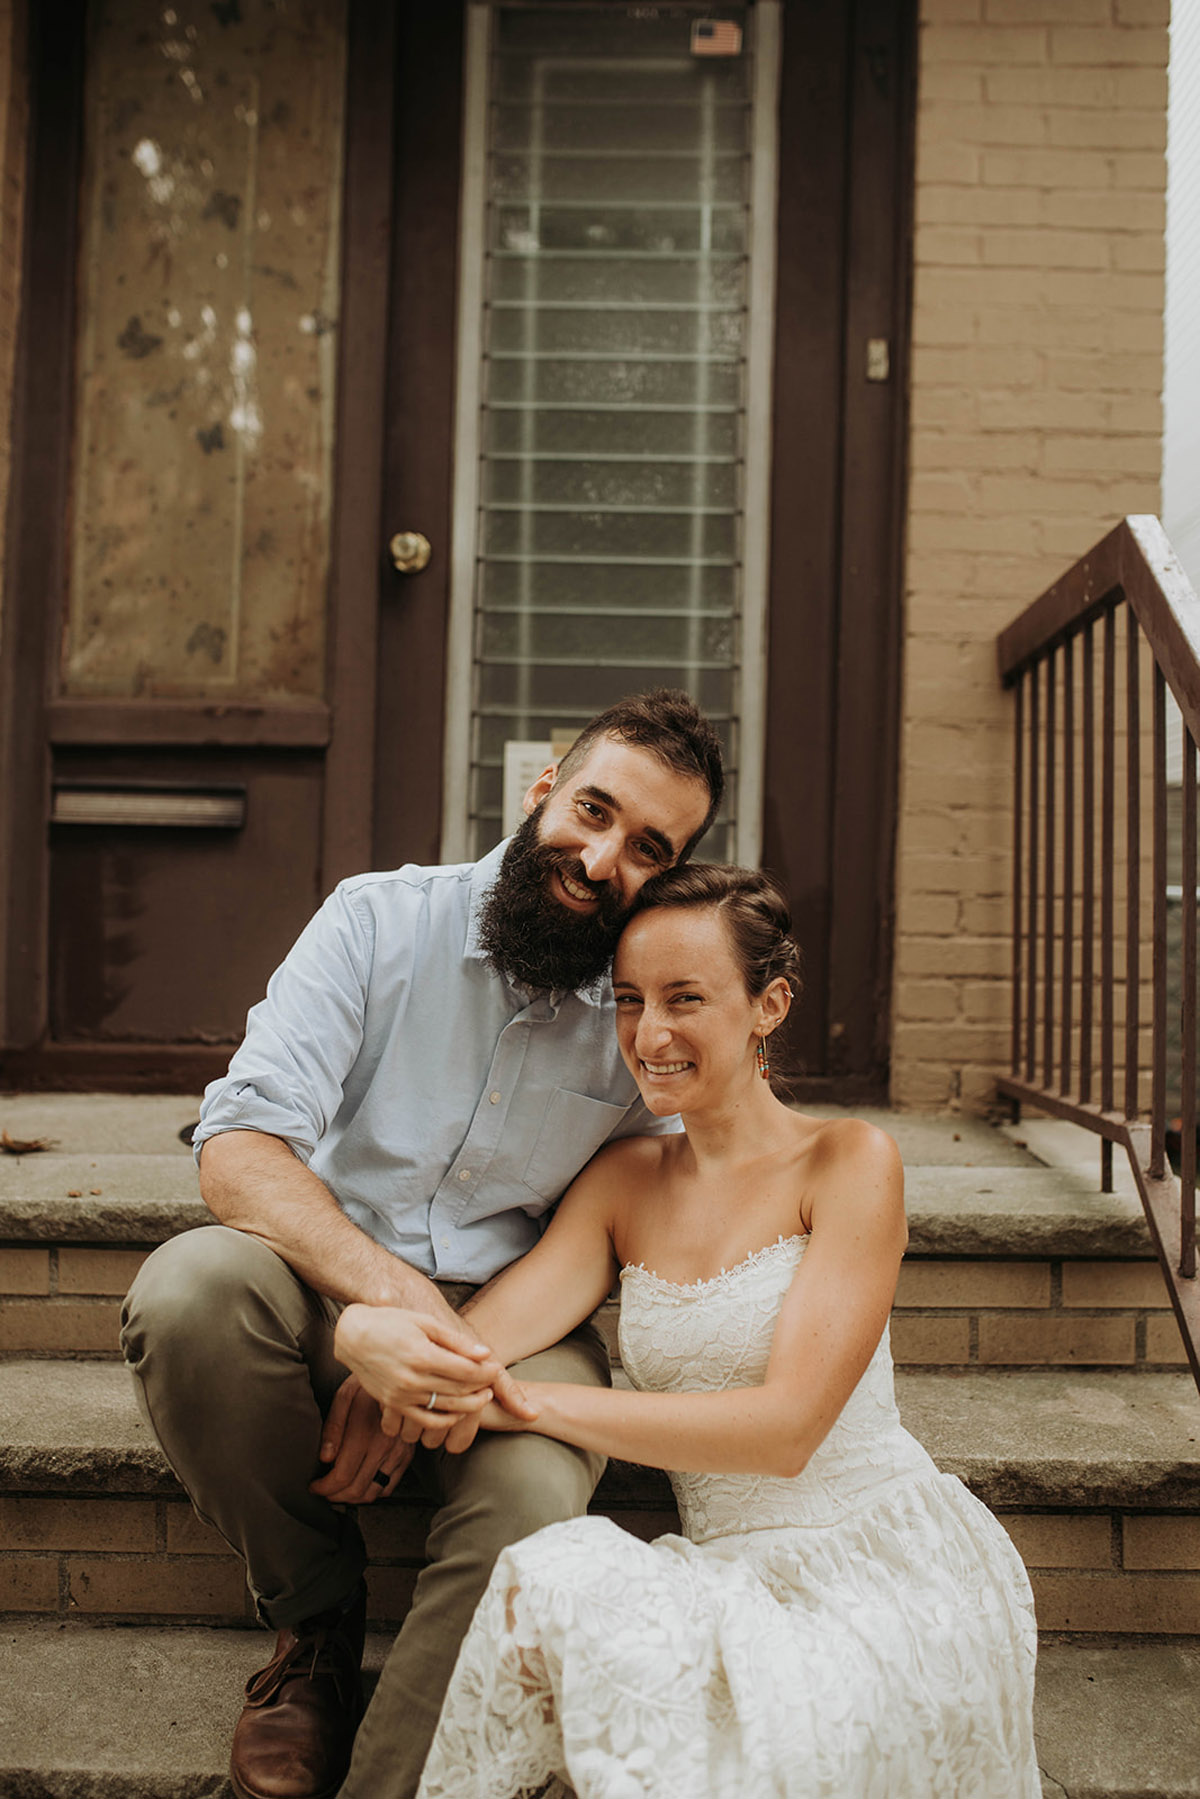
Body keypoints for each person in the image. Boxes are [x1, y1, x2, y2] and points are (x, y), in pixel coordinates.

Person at [119, 689, 725, 1799]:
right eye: (592, 809)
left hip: (520, 1321)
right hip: (323, 1279)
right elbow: (239, 1148)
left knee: (539, 1493)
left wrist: (443, 1358)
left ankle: (393, 1776)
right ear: (543, 789)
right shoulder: (375, 919)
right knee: (188, 1287)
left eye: (648, 848)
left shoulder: (644, 1012)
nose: (600, 859)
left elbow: (627, 1226)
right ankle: (314, 1626)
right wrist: (383, 1311)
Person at [338, 863, 1040, 1799]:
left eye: (685, 998)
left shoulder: (849, 1161)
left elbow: (784, 1431)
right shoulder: (624, 1179)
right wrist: (373, 1344)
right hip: (725, 1565)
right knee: (547, 1584)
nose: (650, 1034)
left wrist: (532, 1402)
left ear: (769, 1004)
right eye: (629, 1000)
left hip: (878, 1563)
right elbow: (483, 1338)